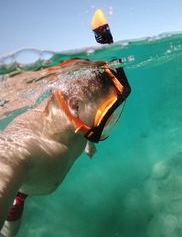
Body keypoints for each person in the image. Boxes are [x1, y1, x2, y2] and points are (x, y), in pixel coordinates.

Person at [0, 58, 131, 236]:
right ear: (75, 105)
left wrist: (89, 141)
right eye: (106, 114)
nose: (111, 121)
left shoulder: (79, 124)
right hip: (20, 191)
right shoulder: (21, 149)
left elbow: (86, 118)